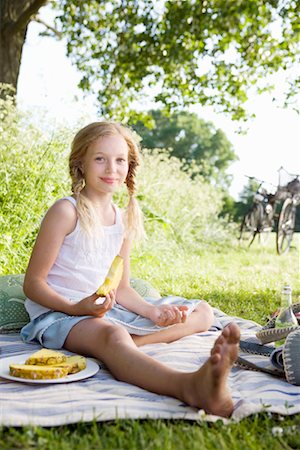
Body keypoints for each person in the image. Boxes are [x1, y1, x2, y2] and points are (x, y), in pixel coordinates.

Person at [20, 121, 240, 418]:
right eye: (100, 159)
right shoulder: (66, 211)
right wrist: (76, 308)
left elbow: (121, 288)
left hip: (102, 311)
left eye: (120, 160)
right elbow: (33, 283)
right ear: (80, 164)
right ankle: (188, 386)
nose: (112, 168)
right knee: (112, 335)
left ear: (129, 166)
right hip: (61, 314)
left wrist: (153, 313)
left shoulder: (122, 220)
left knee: (202, 312)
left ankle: (127, 346)